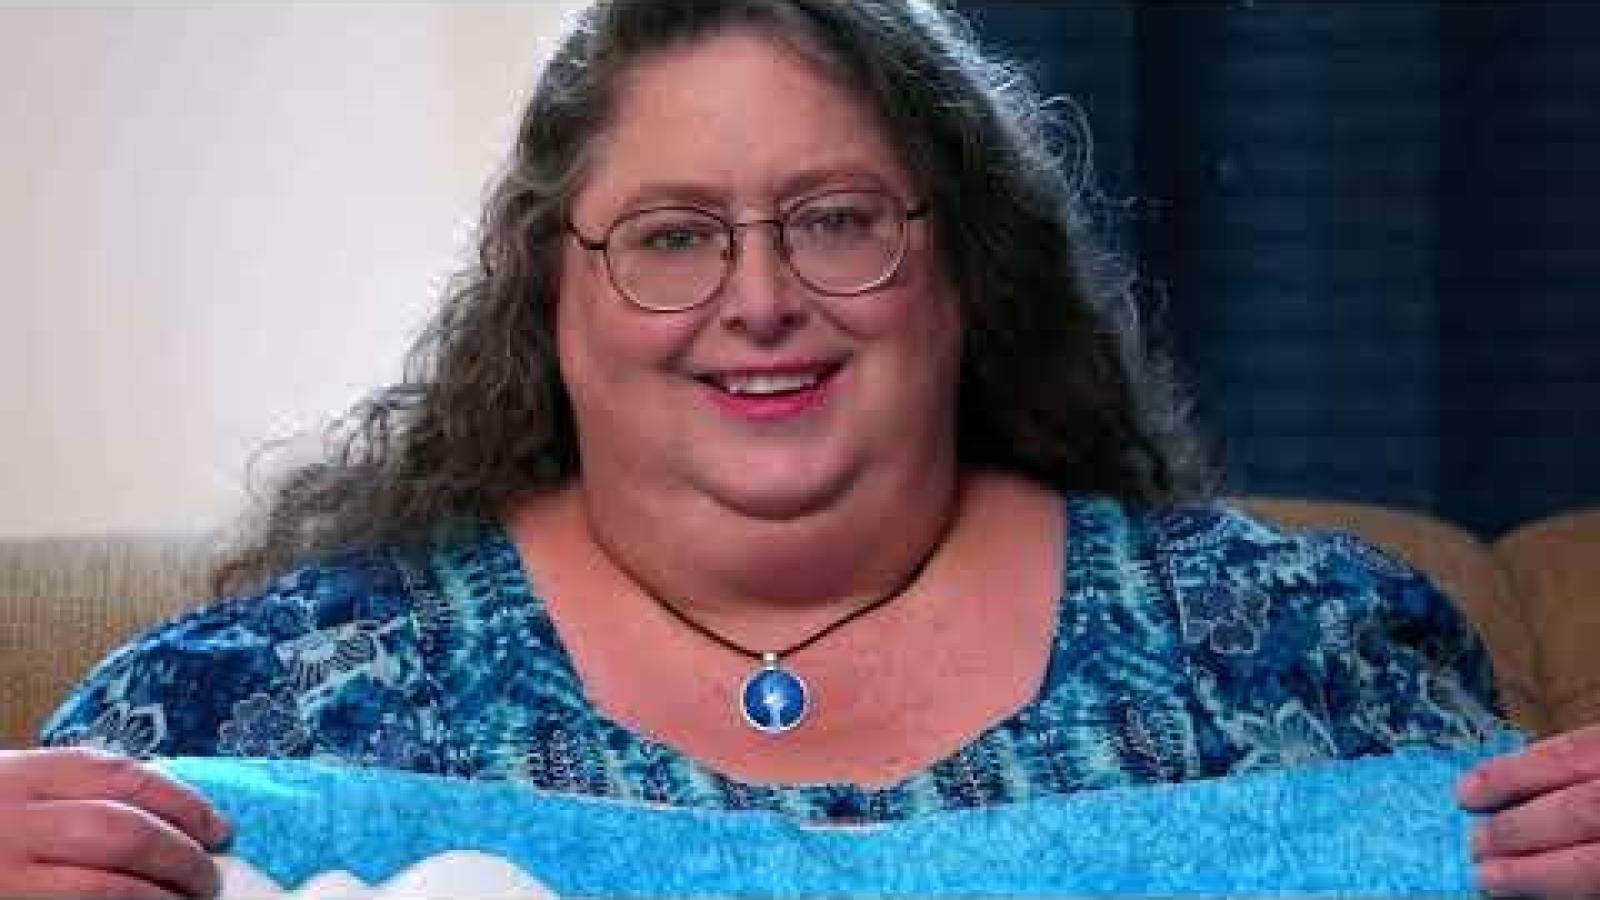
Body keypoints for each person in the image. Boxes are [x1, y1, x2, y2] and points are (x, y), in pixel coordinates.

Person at [1, 1, 1596, 897]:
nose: (759, 299)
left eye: (836, 220)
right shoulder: (268, 700)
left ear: (965, 268)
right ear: (551, 294)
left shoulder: (1294, 652)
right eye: (673, 235)